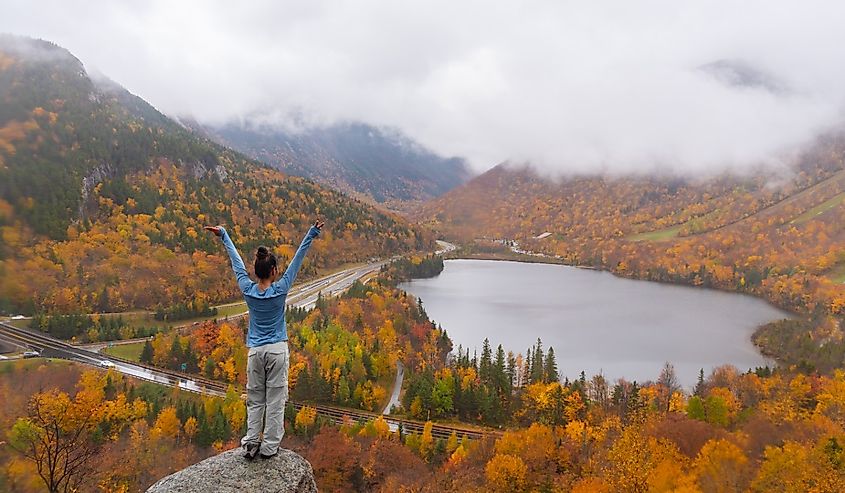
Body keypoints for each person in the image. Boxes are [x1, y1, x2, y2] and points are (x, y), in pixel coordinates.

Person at [204, 220, 324, 459]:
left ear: (257, 272)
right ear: (274, 271)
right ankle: (269, 446)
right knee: (276, 400)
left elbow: (236, 263)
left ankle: (250, 443)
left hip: (255, 351)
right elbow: (298, 260)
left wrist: (224, 235)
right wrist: (311, 233)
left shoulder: (248, 290)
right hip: (278, 350)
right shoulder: (280, 289)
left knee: (255, 398)